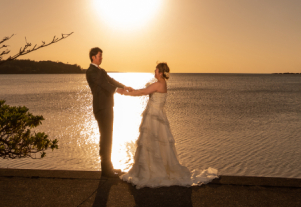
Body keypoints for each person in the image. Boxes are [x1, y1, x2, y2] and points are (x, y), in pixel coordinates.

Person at [120, 62, 218, 188]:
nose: (154, 72)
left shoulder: (159, 84)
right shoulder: (162, 84)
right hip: (158, 117)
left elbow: (142, 92)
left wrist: (125, 92)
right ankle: (153, 169)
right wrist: (132, 90)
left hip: (154, 118)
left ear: (161, 72)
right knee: (157, 146)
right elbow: (144, 91)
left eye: (156, 70)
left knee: (152, 144)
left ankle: (153, 172)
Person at [86, 47, 130, 178]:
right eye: (99, 55)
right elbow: (103, 84)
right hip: (101, 107)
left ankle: (109, 166)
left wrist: (124, 86)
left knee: (108, 136)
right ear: (93, 57)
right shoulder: (90, 72)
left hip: (108, 106)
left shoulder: (101, 70)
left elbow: (110, 80)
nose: (101, 58)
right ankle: (106, 170)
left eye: (101, 55)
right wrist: (117, 90)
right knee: (105, 137)